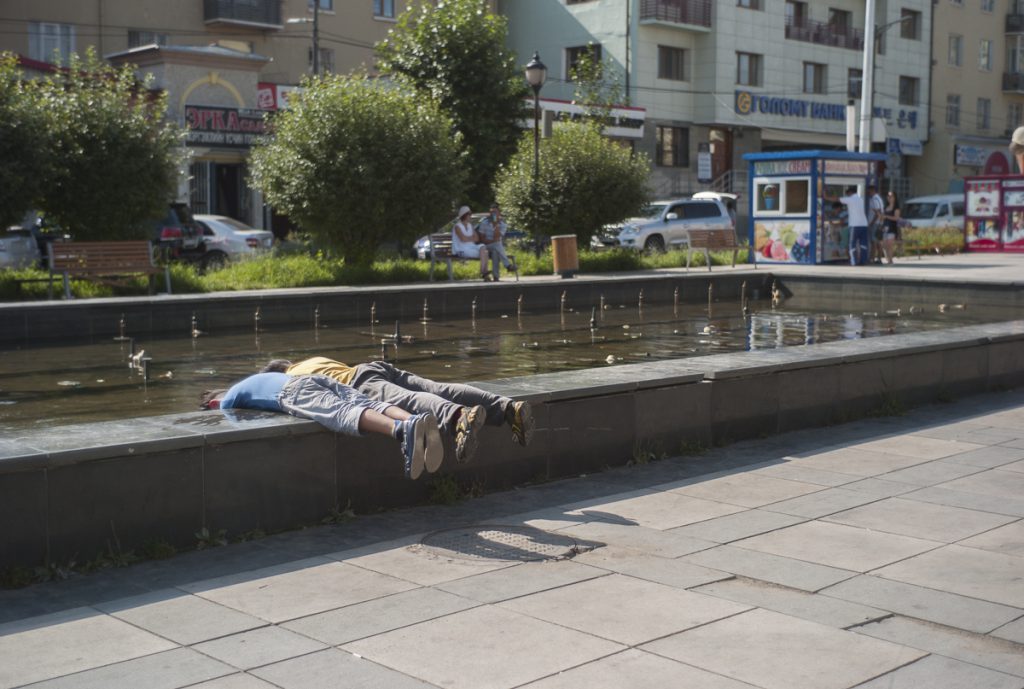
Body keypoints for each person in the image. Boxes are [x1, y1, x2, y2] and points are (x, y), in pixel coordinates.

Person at [263, 357, 535, 465]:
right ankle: (508, 408)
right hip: (371, 367)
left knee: (411, 400)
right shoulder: (312, 360)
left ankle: (458, 418)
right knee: (438, 387)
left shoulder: (289, 377)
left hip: (358, 382)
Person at [200, 372, 442, 480]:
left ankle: (401, 431)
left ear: (212, 401)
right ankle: (412, 419)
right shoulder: (250, 381)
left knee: (341, 413)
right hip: (309, 378)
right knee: (367, 402)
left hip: (291, 391)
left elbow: (226, 416)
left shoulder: (228, 397)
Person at [823, 185, 870, 265]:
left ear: (850, 193)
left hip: (855, 225)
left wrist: (826, 197)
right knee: (863, 244)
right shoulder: (860, 199)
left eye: (847, 194)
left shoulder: (851, 199)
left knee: (852, 244)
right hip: (864, 224)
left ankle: (854, 262)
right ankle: (863, 261)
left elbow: (837, 199)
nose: (847, 196)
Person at [476, 203, 515, 281]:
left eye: (495, 212)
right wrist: (493, 241)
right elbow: (483, 240)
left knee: (495, 252)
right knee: (497, 244)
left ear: (499, 213)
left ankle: (496, 277)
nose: (493, 214)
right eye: (491, 212)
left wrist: (495, 225)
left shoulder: (503, 225)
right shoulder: (484, 223)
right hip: (485, 247)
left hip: (496, 248)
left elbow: (497, 237)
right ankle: (507, 265)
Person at [451, 206, 491, 281]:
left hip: (471, 247)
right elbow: (463, 239)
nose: (471, 216)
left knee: (484, 248)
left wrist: (468, 238)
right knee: (485, 253)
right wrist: (471, 238)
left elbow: (477, 238)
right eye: (469, 214)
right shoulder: (457, 226)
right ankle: (484, 273)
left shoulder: (470, 226)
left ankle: (483, 271)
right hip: (461, 249)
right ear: (464, 215)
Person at [881, 191, 901, 264]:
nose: (889, 198)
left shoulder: (896, 208)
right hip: (885, 228)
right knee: (884, 245)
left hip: (892, 228)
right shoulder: (885, 207)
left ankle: (890, 260)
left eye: (891, 196)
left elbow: (896, 218)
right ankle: (888, 258)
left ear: (894, 198)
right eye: (888, 196)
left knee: (890, 244)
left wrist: (886, 216)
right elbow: (882, 218)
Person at [866, 185, 885, 264]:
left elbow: (877, 213)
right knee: (877, 242)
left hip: (875, 223)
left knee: (874, 242)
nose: (868, 193)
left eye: (869, 191)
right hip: (879, 223)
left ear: (872, 190)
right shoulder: (879, 198)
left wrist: (871, 223)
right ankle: (878, 259)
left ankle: (872, 259)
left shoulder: (874, 199)